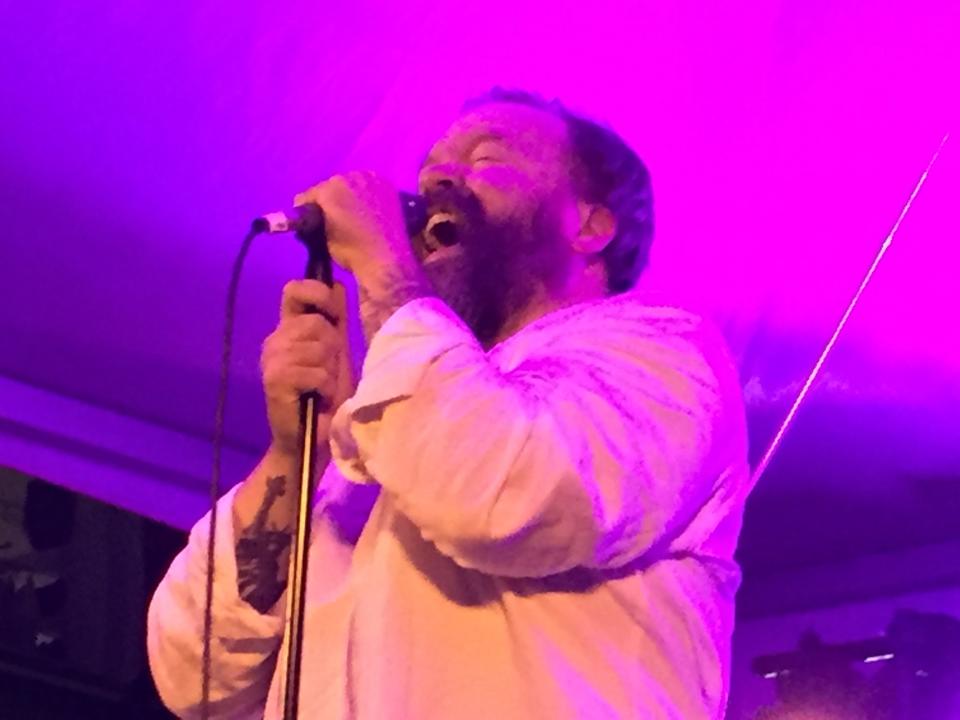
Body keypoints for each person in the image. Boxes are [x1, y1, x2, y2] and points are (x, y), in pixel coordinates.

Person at [147, 88, 751, 719]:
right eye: (432, 165)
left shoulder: (665, 357)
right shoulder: (395, 420)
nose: (438, 177)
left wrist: (386, 270)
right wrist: (294, 457)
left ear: (590, 225)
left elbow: (507, 497)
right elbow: (197, 675)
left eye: (487, 162)